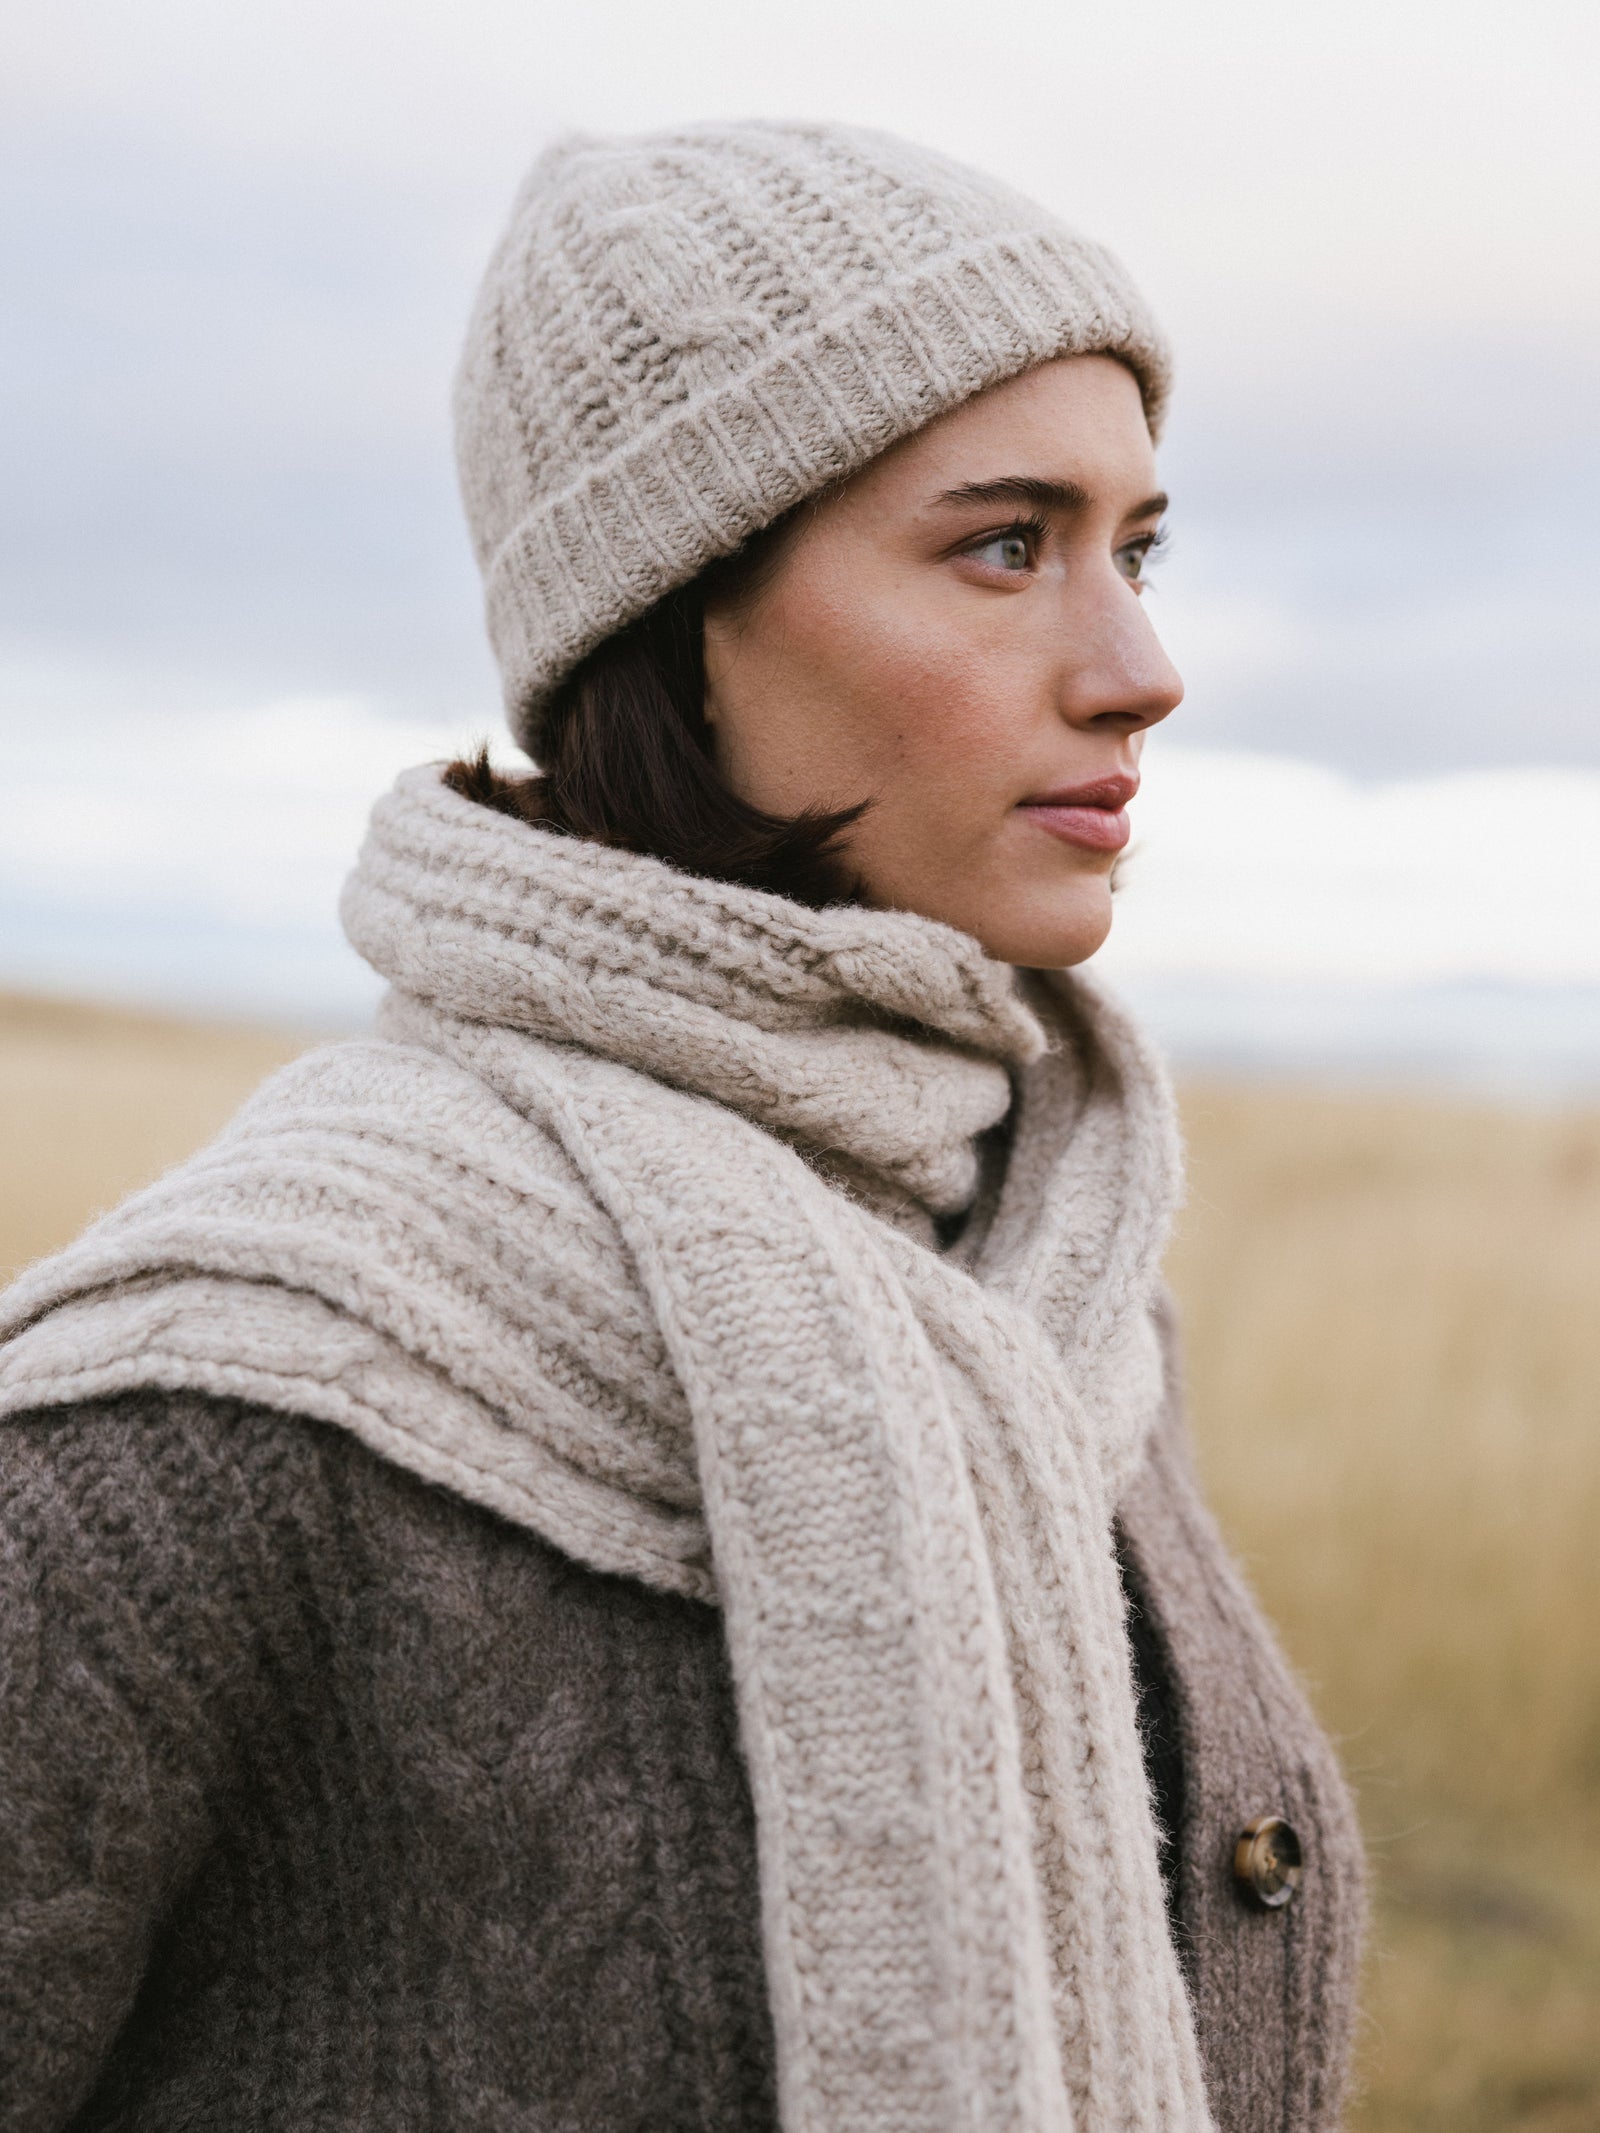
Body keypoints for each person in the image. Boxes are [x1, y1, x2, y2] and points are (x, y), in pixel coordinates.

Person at [0, 122, 1364, 2132]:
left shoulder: (1044, 1280)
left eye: (1134, 546)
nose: (1137, 669)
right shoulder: (218, 1409)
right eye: (1004, 543)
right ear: (674, 610)